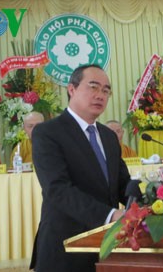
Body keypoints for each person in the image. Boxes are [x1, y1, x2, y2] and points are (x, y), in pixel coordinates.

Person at [29, 64, 131, 272]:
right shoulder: (47, 133)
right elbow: (57, 189)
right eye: (93, 87)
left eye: (105, 90)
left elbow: (122, 185)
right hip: (67, 245)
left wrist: (157, 194)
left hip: (108, 245)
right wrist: (111, 215)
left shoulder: (108, 136)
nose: (100, 95)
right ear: (71, 89)